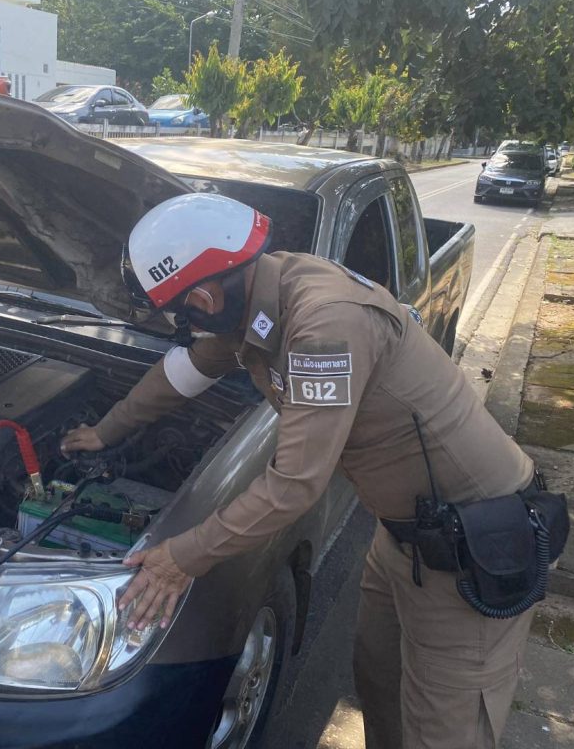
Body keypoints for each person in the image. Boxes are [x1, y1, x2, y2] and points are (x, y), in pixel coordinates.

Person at [60, 192, 544, 749]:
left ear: (205, 296)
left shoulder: (323, 324)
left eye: (182, 314)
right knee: (380, 685)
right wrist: (106, 431)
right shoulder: (259, 293)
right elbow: (185, 370)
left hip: (475, 546)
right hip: (405, 533)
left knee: (446, 728)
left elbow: (294, 486)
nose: (185, 326)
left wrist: (180, 559)